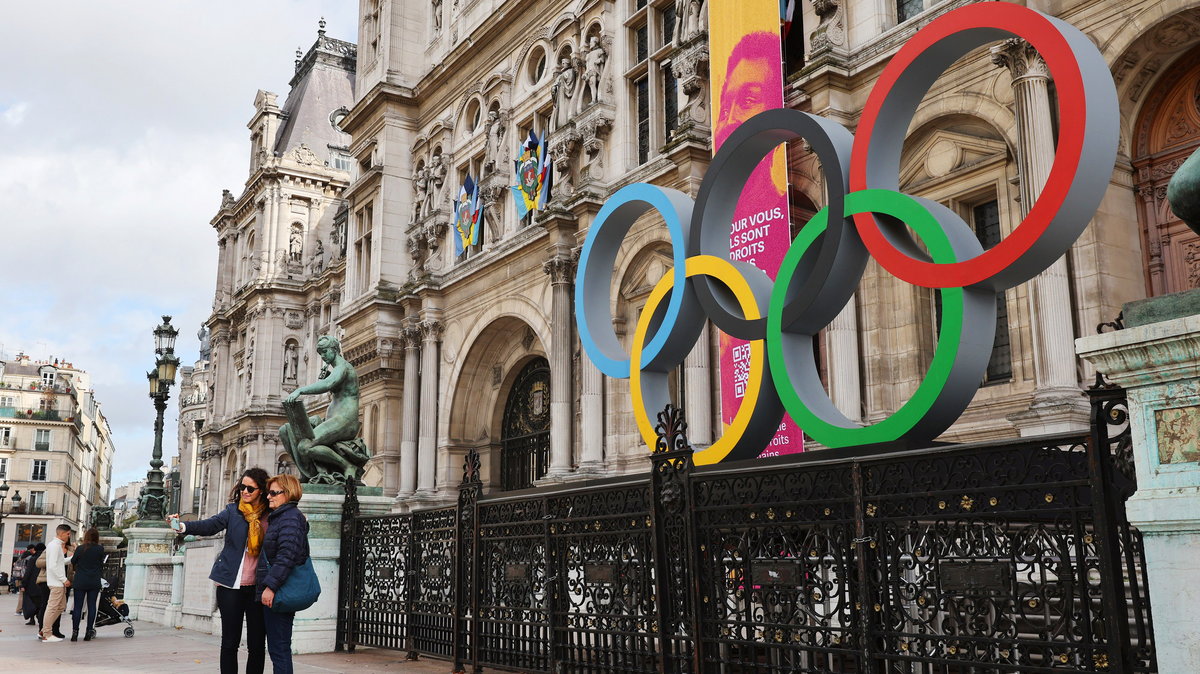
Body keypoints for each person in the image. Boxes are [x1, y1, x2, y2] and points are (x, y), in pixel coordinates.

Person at [167, 467, 270, 674]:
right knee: (230, 642)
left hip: (259, 588)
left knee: (257, 645)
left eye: (251, 488)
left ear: (261, 491)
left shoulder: (270, 515)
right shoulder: (233, 511)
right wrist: (182, 527)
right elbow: (210, 526)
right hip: (230, 585)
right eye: (242, 486)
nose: (245, 491)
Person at [258, 474, 309, 674]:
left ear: (287, 494)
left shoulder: (289, 518)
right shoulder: (284, 517)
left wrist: (270, 587)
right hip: (278, 588)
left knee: (279, 648)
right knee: (278, 647)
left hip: (279, 590)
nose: (268, 496)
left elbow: (286, 556)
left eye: (273, 493)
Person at [70, 527, 105, 641]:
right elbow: (101, 564)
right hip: (94, 580)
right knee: (91, 606)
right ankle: (89, 632)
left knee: (78, 607)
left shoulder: (80, 548)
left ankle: (75, 632)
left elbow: (73, 561)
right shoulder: (100, 549)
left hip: (80, 580)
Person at [40, 523, 74, 642]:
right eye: (68, 534)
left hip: (57, 582)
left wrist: (72, 558)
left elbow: (59, 562)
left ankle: (45, 630)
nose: (69, 536)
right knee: (53, 608)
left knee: (61, 607)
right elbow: (53, 566)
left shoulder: (55, 545)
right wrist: (64, 580)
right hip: (56, 583)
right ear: (62, 533)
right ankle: (47, 634)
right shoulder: (54, 546)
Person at [22, 543, 44, 625]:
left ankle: (32, 619)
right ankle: (39, 617)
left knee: (31, 602)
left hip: (32, 585)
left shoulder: (33, 559)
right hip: (42, 584)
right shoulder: (46, 559)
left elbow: (28, 572)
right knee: (40, 602)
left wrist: (23, 584)